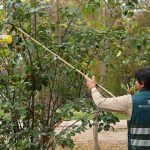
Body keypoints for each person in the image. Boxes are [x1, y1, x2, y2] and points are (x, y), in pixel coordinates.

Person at [85, 67, 150, 150]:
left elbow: (101, 102)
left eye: (136, 81)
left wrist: (92, 88)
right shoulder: (130, 101)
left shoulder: (130, 101)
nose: (135, 83)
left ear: (142, 84)